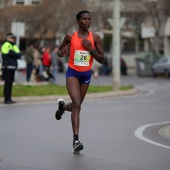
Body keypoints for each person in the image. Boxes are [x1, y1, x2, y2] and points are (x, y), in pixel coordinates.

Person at [55, 10, 105, 153]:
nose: (88, 21)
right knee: (76, 103)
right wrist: (62, 52)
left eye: (89, 19)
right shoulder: (70, 36)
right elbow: (59, 51)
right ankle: (76, 140)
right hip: (72, 73)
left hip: (86, 75)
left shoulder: (95, 38)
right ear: (78, 21)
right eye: (84, 19)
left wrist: (92, 50)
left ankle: (63, 107)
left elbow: (102, 60)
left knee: (77, 105)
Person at [1, 33, 22, 104]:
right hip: (7, 67)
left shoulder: (14, 45)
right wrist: (14, 54)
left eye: (14, 38)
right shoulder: (5, 45)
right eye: (12, 38)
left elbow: (19, 55)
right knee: (7, 83)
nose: (13, 39)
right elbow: (10, 53)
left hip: (12, 67)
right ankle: (6, 99)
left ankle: (9, 98)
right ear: (8, 38)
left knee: (10, 83)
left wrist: (14, 54)